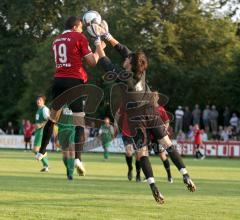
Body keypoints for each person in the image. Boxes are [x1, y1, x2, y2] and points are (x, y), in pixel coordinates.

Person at [94, 25, 196, 203]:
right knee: (167, 144)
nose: (125, 59)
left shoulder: (124, 76)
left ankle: (154, 187)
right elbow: (125, 51)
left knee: (142, 153)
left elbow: (105, 62)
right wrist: (109, 37)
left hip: (136, 117)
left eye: (128, 59)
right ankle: (186, 175)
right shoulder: (141, 71)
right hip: (151, 110)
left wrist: (97, 43)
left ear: (130, 64)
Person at [35, 16, 99, 176]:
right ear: (76, 26)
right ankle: (78, 158)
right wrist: (99, 46)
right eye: (82, 27)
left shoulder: (56, 40)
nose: (83, 29)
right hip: (75, 81)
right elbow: (92, 62)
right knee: (79, 121)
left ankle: (41, 151)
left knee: (52, 118)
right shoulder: (79, 37)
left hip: (58, 81)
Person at [149, 91, 173, 183]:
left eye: (155, 95)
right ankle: (147, 176)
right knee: (144, 155)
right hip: (148, 136)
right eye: (152, 96)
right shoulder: (147, 109)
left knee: (162, 155)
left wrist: (165, 130)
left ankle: (169, 176)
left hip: (158, 136)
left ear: (158, 97)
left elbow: (166, 121)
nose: (154, 97)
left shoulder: (161, 109)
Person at [58, 106, 76, 180]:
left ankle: (71, 174)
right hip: (62, 130)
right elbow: (54, 117)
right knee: (65, 154)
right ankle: (69, 170)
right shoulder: (61, 103)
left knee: (71, 150)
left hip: (72, 129)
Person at [34, 95, 50, 172]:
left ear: (43, 101)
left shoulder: (44, 109)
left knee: (36, 149)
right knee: (37, 149)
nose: (38, 101)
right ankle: (46, 165)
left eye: (40, 100)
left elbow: (49, 119)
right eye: (37, 100)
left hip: (42, 131)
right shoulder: (38, 110)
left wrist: (41, 125)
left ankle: (46, 165)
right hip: (38, 131)